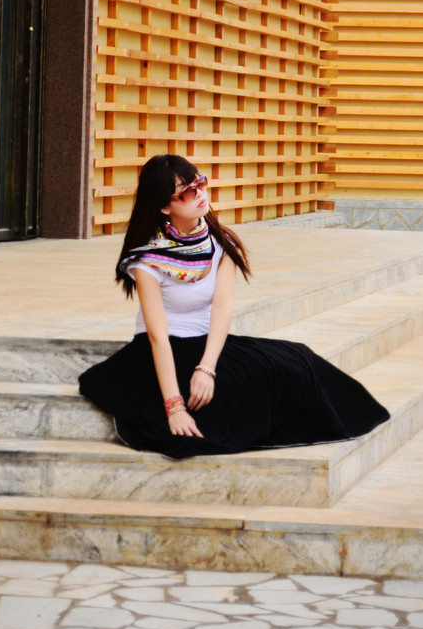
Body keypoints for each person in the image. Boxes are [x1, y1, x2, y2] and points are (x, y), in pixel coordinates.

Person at [78, 154, 389, 459]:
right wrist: (174, 407)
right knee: (232, 393)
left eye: (200, 183)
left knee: (296, 358)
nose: (199, 194)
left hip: (208, 345)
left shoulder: (220, 241)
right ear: (164, 206)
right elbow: (158, 337)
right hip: (161, 351)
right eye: (186, 192)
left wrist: (206, 368)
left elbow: (222, 309)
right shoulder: (148, 259)